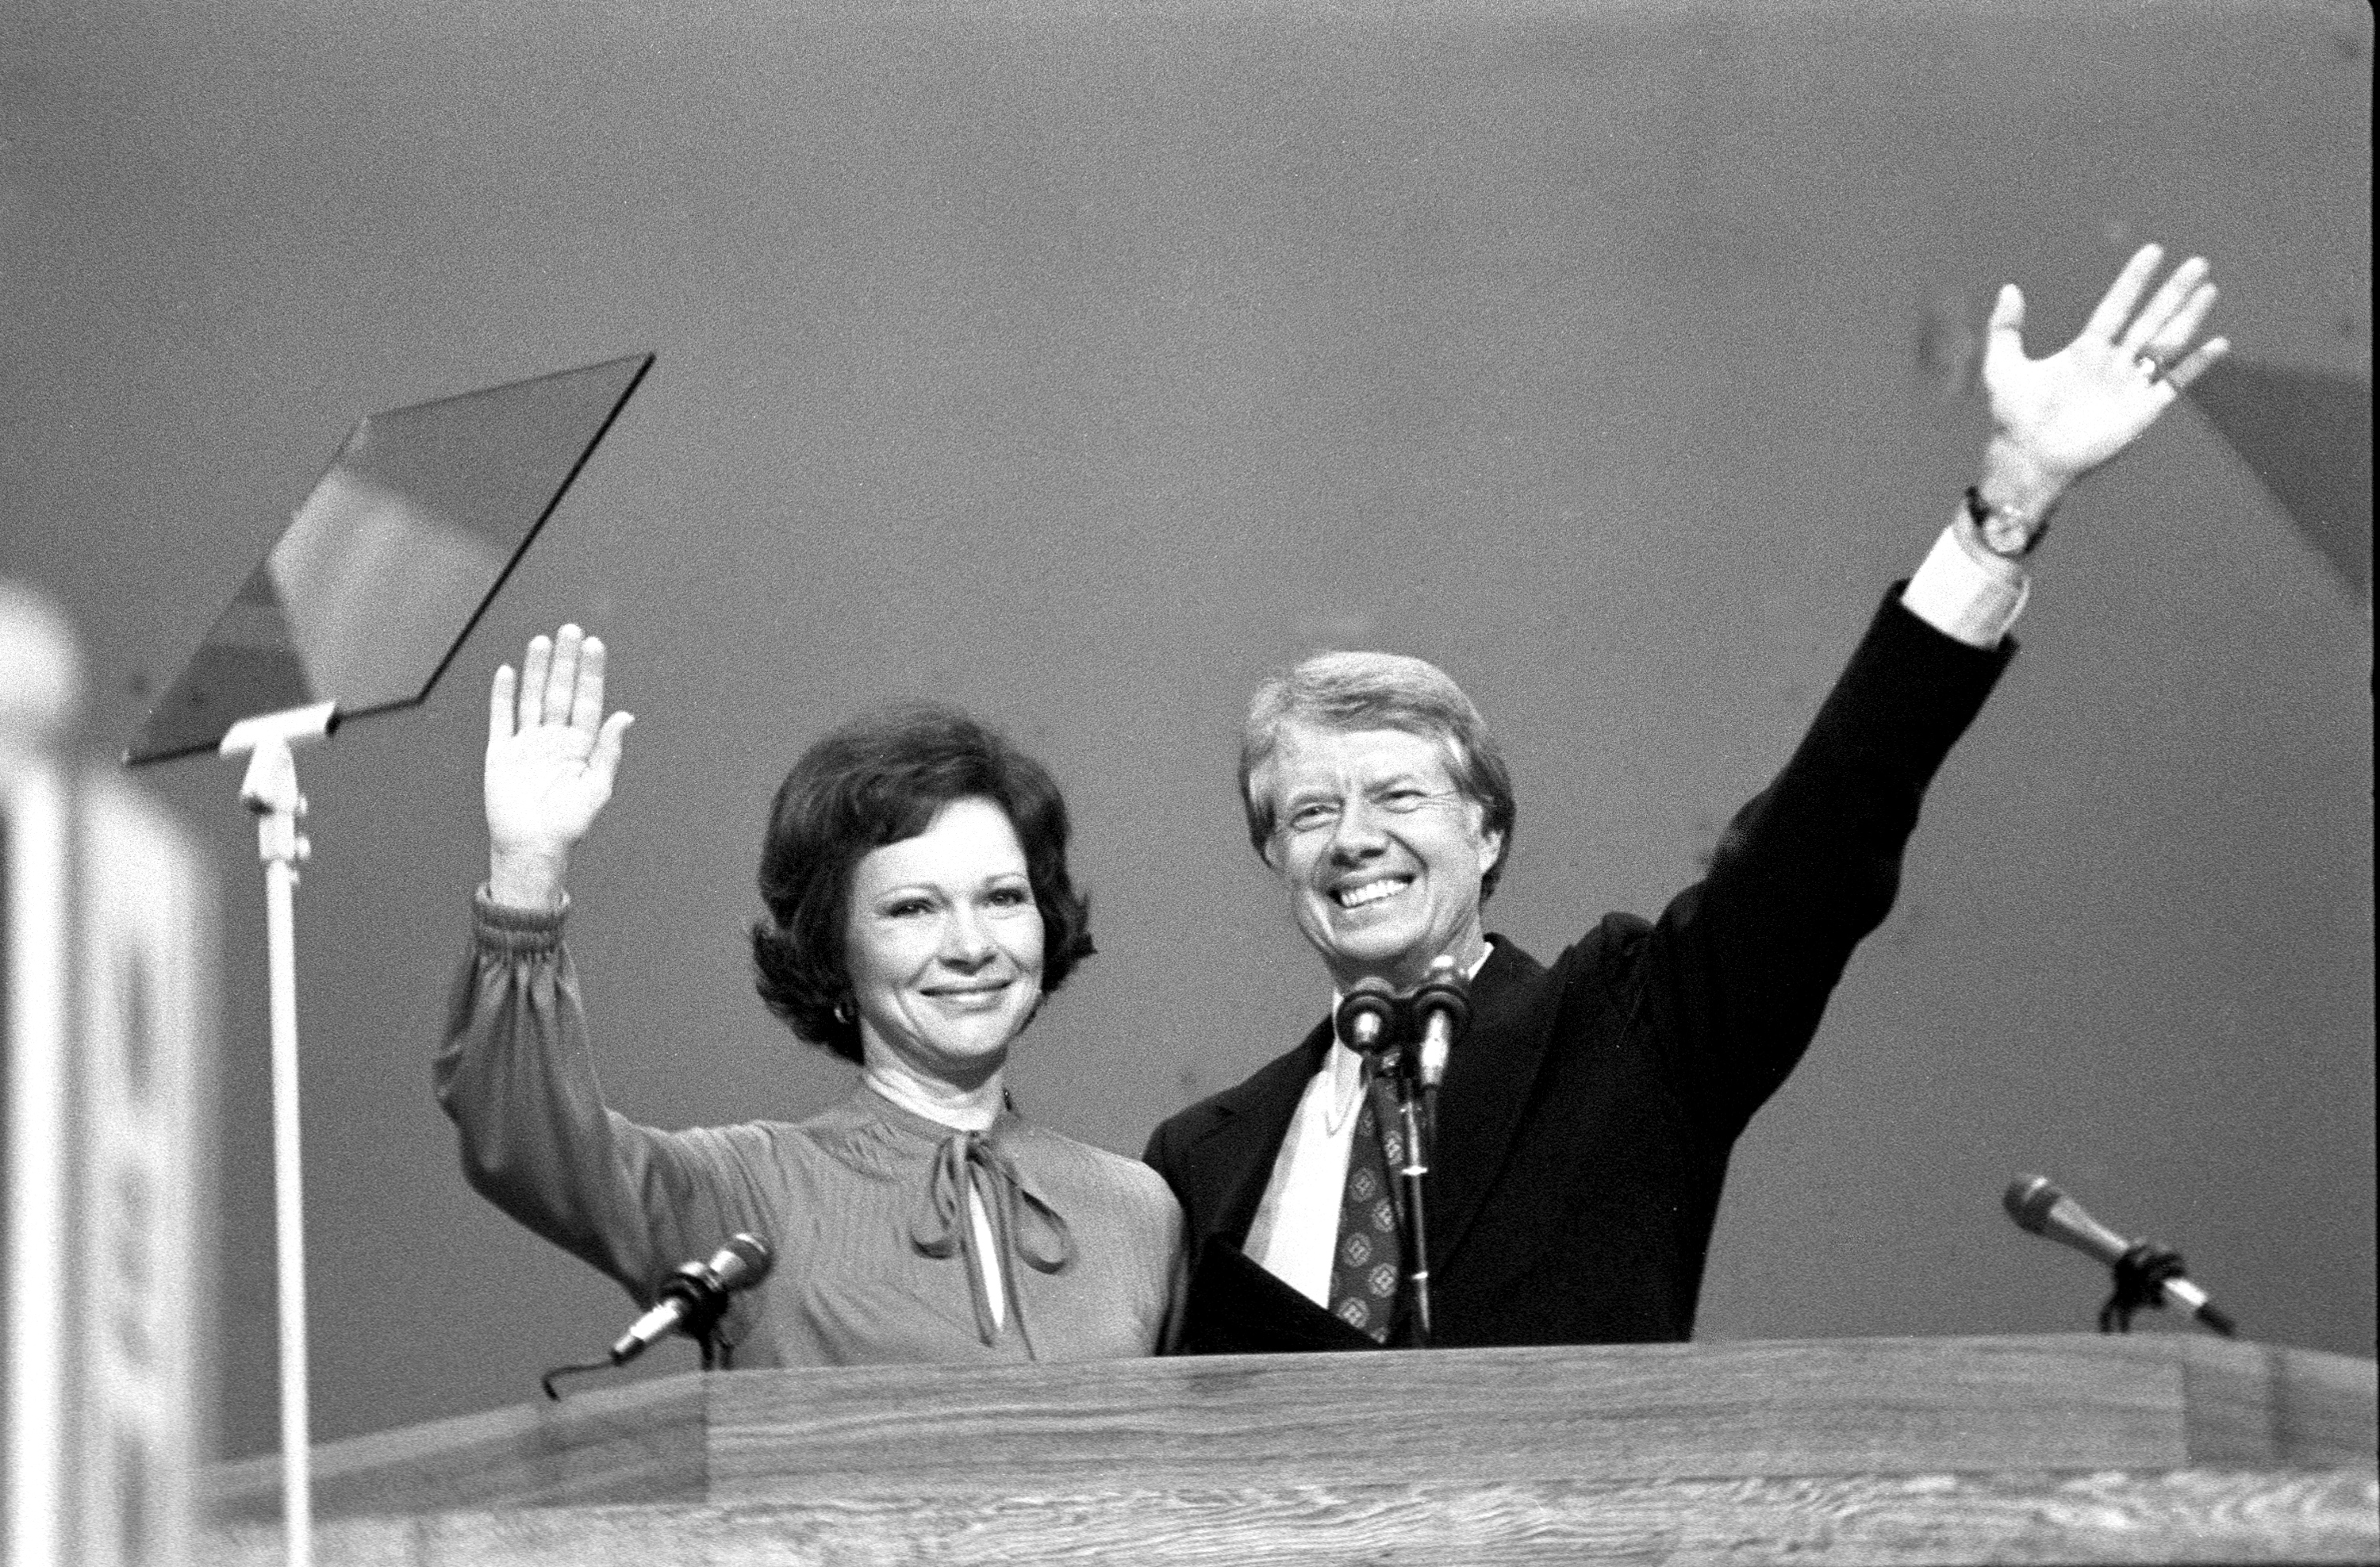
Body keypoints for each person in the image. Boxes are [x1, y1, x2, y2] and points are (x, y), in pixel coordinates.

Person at [1143, 243, 2228, 1353]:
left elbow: (1817, 842)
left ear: (1488, 825)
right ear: (1273, 855)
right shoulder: (1199, 1159)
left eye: (1398, 795)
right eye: (1310, 812)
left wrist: (2010, 502)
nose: (1355, 837)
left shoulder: (1625, 1033)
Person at [438, 632, 1182, 1365]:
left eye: (1003, 897)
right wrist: (528, 868)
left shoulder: (1140, 1212)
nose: (970, 944)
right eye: (913, 908)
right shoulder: (745, 1198)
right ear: (834, 948)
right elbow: (526, 1140)